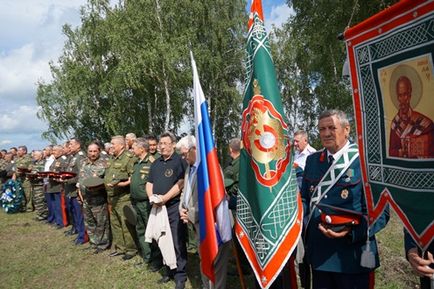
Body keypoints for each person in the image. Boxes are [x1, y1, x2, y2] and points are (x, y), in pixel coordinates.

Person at [301, 109, 389, 289]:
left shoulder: (366, 161)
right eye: (321, 129)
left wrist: (351, 231)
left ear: (346, 129)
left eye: (331, 128)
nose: (326, 133)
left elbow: (381, 211)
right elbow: (304, 200)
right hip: (319, 255)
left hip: (352, 256)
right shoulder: (313, 161)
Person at [179, 136, 231, 289]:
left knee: (216, 262)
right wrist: (182, 208)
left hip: (213, 224)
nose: (183, 157)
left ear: (194, 149)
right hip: (198, 224)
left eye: (185, 154)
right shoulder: (190, 167)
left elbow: (213, 202)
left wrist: (190, 214)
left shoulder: (209, 168)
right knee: (205, 260)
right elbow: (186, 191)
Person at [146, 131, 188, 289]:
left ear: (173, 144)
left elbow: (182, 182)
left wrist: (164, 198)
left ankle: (180, 274)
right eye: (160, 143)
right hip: (157, 207)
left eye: (165, 143)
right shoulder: (156, 163)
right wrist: (152, 198)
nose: (162, 146)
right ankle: (169, 269)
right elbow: (149, 183)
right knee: (161, 239)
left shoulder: (179, 161)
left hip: (173, 207)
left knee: (177, 241)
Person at [129, 137, 161, 269]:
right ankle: (147, 256)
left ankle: (158, 259)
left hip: (147, 203)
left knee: (152, 231)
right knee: (141, 230)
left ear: (141, 149)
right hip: (136, 202)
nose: (132, 149)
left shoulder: (153, 162)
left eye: (134, 147)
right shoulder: (136, 163)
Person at [104, 135, 137, 260]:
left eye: (113, 144)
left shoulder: (129, 159)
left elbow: (132, 178)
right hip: (111, 197)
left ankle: (131, 249)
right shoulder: (112, 158)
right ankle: (120, 247)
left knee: (125, 224)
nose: (111, 146)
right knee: (115, 223)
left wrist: (121, 184)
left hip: (124, 197)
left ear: (121, 145)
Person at [389, 76, 434, 158]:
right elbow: (391, 152)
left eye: (405, 94)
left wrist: (411, 147)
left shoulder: (426, 123)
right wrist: (404, 152)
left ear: (410, 95)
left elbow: (431, 150)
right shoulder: (395, 124)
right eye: (400, 95)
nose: (403, 99)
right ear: (397, 97)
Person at [78, 142, 111, 254]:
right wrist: (80, 193)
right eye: (90, 151)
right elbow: (80, 179)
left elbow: (107, 180)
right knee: (89, 222)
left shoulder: (105, 163)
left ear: (99, 151)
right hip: (86, 198)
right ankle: (94, 242)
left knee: (101, 223)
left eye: (95, 151)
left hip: (98, 198)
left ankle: (102, 244)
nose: (92, 154)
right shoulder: (83, 163)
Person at [64, 138, 87, 245]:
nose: (69, 147)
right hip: (70, 190)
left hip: (76, 190)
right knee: (74, 213)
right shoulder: (73, 157)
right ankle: (78, 231)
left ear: (78, 145)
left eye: (71, 144)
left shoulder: (80, 157)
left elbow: (81, 175)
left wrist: (67, 180)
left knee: (79, 214)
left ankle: (82, 236)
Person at [29, 150, 48, 221]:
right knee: (36, 200)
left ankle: (43, 215)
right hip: (34, 184)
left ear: (40, 156)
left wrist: (36, 175)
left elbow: (44, 173)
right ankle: (39, 214)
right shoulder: (34, 163)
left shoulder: (44, 163)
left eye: (36, 155)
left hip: (40, 185)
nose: (34, 156)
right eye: (34, 155)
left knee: (40, 200)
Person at [13, 145, 33, 211]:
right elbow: (15, 169)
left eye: (19, 150)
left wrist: (25, 169)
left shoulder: (29, 158)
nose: (18, 152)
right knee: (21, 193)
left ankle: (29, 208)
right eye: (18, 150)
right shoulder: (17, 158)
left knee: (27, 194)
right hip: (19, 179)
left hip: (26, 179)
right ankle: (22, 207)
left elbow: (31, 168)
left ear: (24, 151)